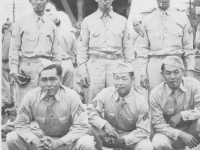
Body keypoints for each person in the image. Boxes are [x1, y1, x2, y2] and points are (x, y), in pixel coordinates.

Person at [6, 59, 95, 150]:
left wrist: (59, 143)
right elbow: (21, 124)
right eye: (44, 80)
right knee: (12, 138)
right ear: (39, 80)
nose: (48, 84)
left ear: (61, 79)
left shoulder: (72, 96)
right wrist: (36, 141)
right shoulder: (30, 97)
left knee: (87, 143)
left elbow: (81, 126)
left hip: (65, 142)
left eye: (53, 79)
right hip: (41, 143)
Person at [78, 0, 134, 104]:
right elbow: (82, 48)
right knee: (93, 101)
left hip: (116, 64)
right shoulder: (88, 21)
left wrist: (129, 69)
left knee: (116, 99)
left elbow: (128, 47)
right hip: (95, 67)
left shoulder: (122, 21)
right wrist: (83, 71)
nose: (105, 1)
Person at [87, 62, 153, 150]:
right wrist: (105, 125)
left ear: (132, 79)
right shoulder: (105, 93)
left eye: (124, 79)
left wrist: (123, 139)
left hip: (128, 140)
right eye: (116, 78)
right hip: (108, 136)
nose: (120, 83)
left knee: (146, 146)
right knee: (89, 129)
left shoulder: (141, 102)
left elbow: (144, 130)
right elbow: (90, 111)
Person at [9, 0, 61, 109]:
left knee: (46, 106)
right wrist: (14, 70)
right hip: (26, 71)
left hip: (46, 70)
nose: (38, 2)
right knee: (25, 106)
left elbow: (56, 53)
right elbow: (14, 48)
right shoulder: (21, 22)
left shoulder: (51, 25)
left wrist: (57, 73)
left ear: (47, 1)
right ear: (30, 1)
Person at [137, 0, 195, 91]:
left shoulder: (182, 17)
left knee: (179, 98)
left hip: (176, 63)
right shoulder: (147, 20)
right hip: (155, 65)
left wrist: (190, 70)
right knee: (155, 97)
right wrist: (142, 73)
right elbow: (142, 49)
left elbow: (188, 48)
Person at [150, 56, 200, 150]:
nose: (172, 77)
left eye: (176, 72)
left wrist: (182, 115)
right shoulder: (156, 94)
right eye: (168, 73)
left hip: (192, 131)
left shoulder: (194, 85)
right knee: (157, 143)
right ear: (162, 74)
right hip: (171, 134)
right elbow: (158, 124)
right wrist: (181, 134)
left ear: (183, 72)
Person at [49, 14, 77, 89]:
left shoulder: (51, 35)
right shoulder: (70, 34)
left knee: (54, 90)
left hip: (55, 63)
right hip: (68, 63)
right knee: (67, 91)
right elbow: (76, 51)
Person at [2, 21, 13, 109]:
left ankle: (7, 101)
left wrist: (4, 58)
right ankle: (12, 100)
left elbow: (6, 45)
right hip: (12, 60)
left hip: (6, 60)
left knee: (5, 82)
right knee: (12, 82)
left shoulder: (8, 33)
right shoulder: (14, 32)